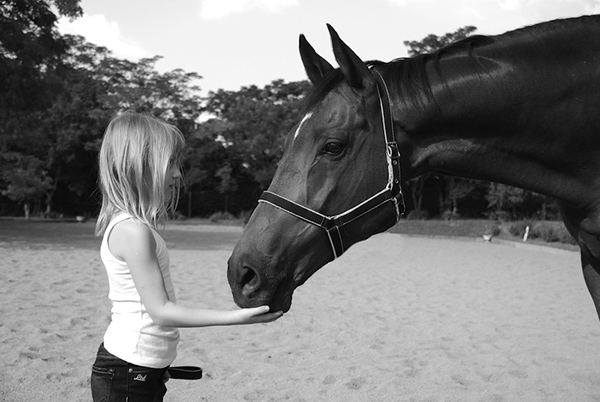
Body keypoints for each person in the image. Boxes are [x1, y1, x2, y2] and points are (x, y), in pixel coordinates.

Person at [90, 111, 283, 402]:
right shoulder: (132, 231)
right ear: (139, 166)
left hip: (139, 369)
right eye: (170, 163)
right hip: (127, 373)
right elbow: (160, 311)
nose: (178, 174)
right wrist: (235, 318)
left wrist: (156, 364)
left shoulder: (135, 227)